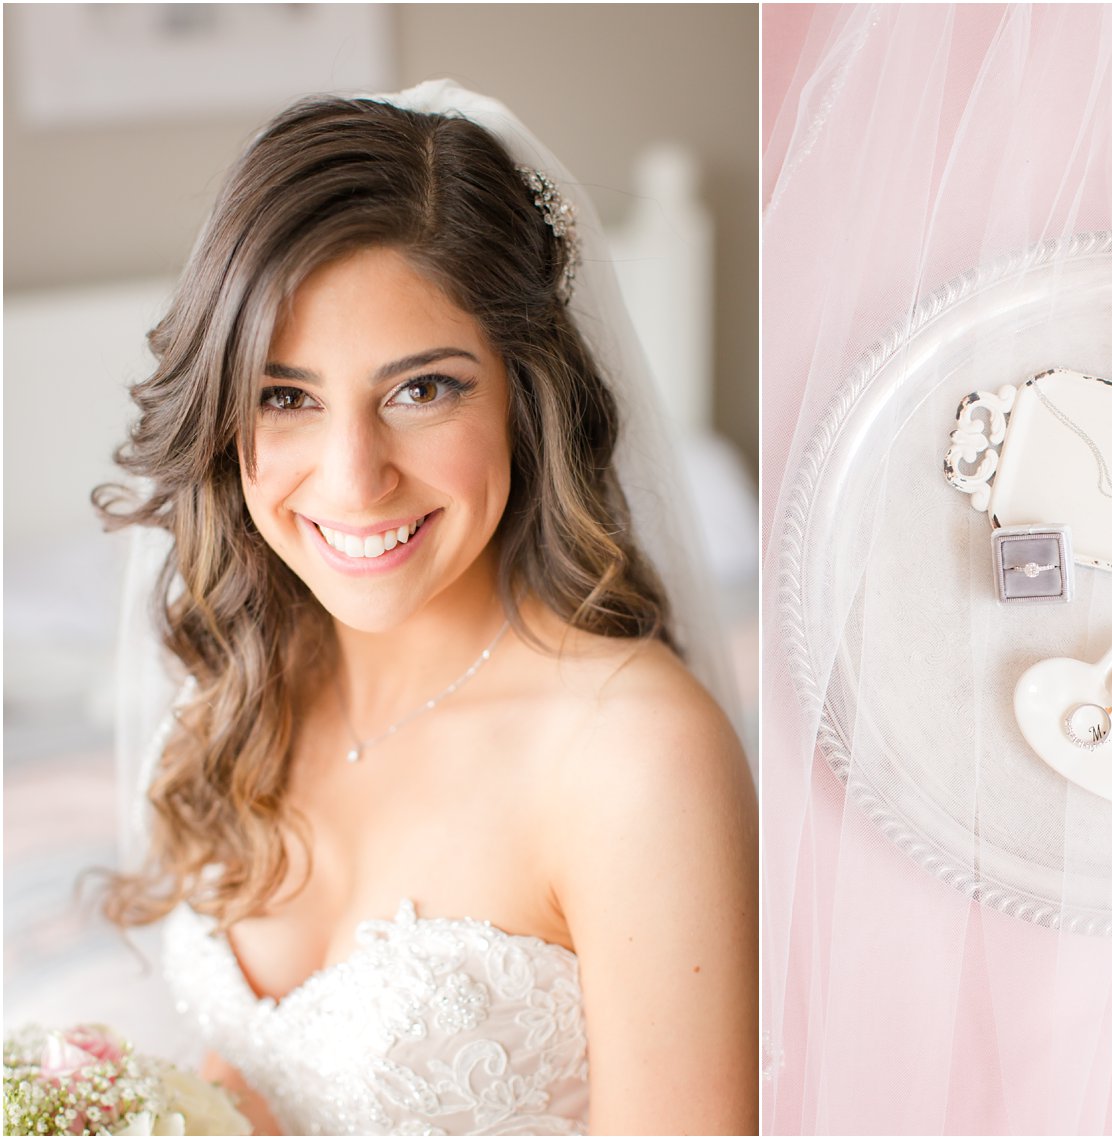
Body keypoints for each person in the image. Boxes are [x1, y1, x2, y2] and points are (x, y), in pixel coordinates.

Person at [95, 80, 757, 1136]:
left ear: (522, 392)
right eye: (286, 396)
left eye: (421, 389)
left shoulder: (636, 757)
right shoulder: (235, 679)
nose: (355, 481)